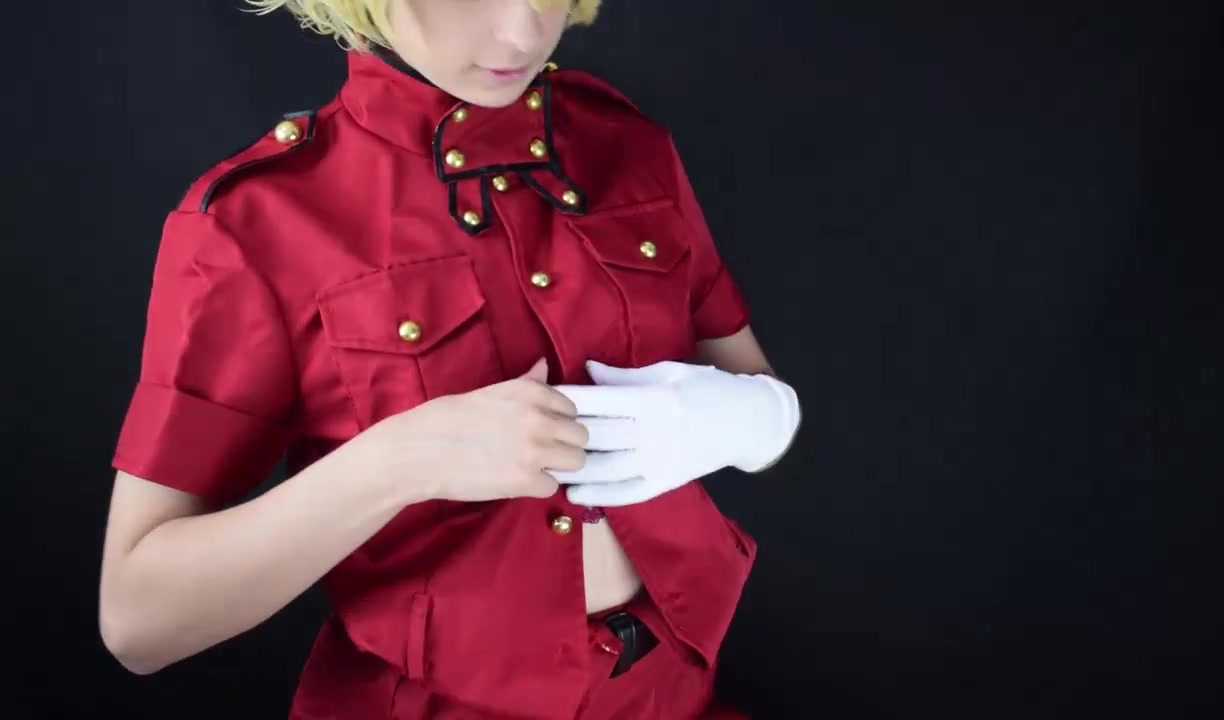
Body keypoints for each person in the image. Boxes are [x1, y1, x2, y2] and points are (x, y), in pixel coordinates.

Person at [97, 0, 801, 717]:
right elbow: (139, 620)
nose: (522, 32)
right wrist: (397, 462)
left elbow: (751, 381)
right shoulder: (260, 219)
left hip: (675, 697)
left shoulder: (627, 144)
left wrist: (759, 419)